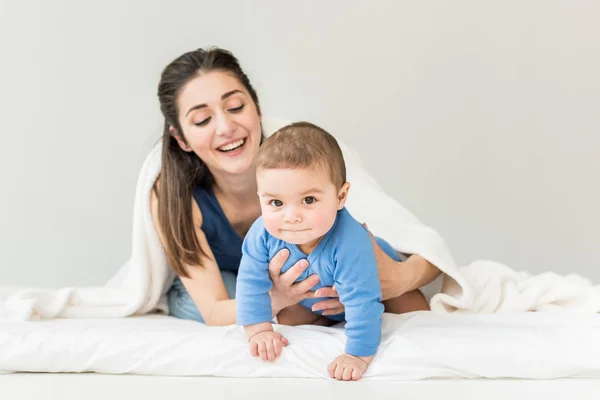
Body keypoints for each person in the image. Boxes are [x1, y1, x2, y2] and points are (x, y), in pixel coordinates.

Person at [149, 46, 441, 328]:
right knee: (225, 301)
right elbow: (214, 310)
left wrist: (399, 279)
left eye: (236, 106)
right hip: (224, 281)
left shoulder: (309, 156)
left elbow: (421, 247)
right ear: (182, 138)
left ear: (257, 107)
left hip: (308, 269)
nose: (225, 127)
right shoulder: (173, 194)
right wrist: (279, 298)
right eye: (202, 120)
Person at [236, 122, 429, 381]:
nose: (291, 217)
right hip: (317, 298)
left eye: (308, 200)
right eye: (276, 203)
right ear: (260, 198)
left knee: (415, 316)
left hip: (381, 288)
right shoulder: (261, 234)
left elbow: (361, 301)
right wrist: (258, 329)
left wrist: (358, 355)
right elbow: (250, 282)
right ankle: (328, 318)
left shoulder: (350, 242)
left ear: (340, 196)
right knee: (290, 322)